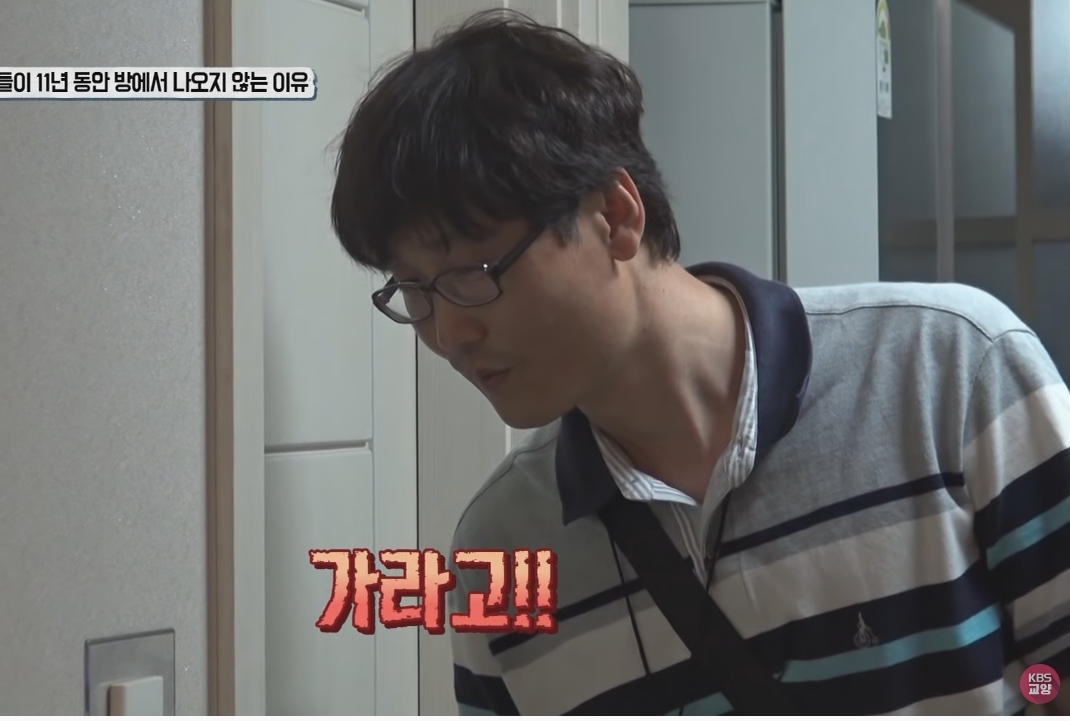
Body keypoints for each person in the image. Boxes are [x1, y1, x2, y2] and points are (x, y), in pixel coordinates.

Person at [329, 9, 1070, 716]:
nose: (449, 332)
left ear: (614, 216)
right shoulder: (500, 549)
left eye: (473, 273)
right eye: (415, 290)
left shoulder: (948, 369)